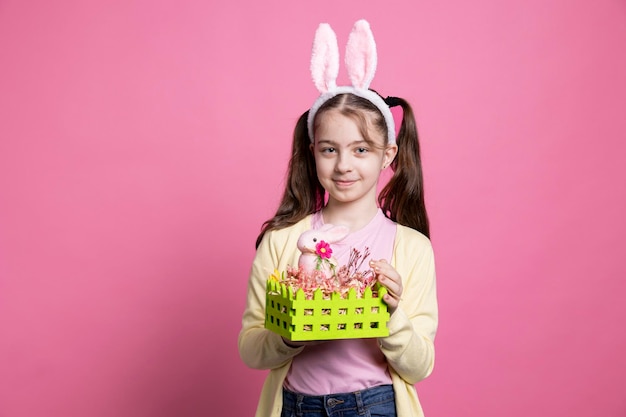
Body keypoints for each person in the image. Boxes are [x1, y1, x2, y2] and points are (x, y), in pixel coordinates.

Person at [238, 19, 438, 417]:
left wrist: (393, 315)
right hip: (296, 406)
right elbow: (250, 349)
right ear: (312, 153)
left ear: (388, 154)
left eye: (361, 150)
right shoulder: (283, 241)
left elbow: (420, 366)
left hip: (377, 405)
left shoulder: (412, 248)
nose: (344, 165)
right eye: (330, 149)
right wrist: (289, 333)